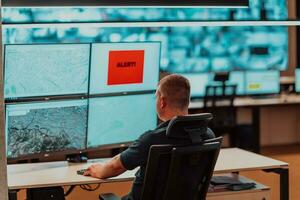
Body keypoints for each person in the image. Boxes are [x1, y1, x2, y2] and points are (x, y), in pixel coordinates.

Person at [84, 74, 215, 200]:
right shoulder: (207, 136)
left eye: (156, 97)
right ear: (188, 101)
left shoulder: (153, 139)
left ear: (162, 102)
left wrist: (99, 170)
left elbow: (114, 167)